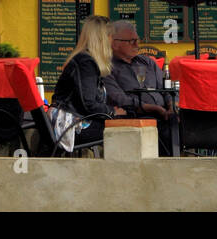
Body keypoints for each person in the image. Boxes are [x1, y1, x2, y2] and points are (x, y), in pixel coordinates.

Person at [51, 15, 125, 148]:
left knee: (121, 124)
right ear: (101, 38)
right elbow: (88, 104)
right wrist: (112, 111)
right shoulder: (86, 63)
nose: (112, 40)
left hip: (67, 121)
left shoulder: (83, 59)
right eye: (110, 36)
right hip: (69, 127)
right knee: (124, 130)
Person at [104, 20, 174, 155]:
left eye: (137, 40)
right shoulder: (107, 67)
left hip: (163, 115)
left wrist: (172, 105)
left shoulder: (147, 62)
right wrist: (155, 109)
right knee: (164, 130)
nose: (137, 44)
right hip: (133, 117)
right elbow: (118, 99)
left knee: (183, 121)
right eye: (131, 41)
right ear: (114, 43)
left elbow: (166, 87)